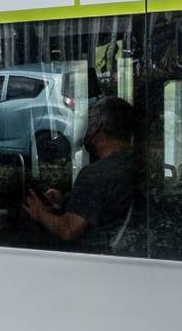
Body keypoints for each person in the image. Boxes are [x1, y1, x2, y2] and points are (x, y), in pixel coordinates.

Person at [24, 96, 137, 252]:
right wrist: (68, 203)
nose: (86, 128)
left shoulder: (97, 174)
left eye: (90, 122)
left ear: (98, 126)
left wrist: (40, 212)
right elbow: (105, 208)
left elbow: (68, 230)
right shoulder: (137, 165)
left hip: (96, 259)